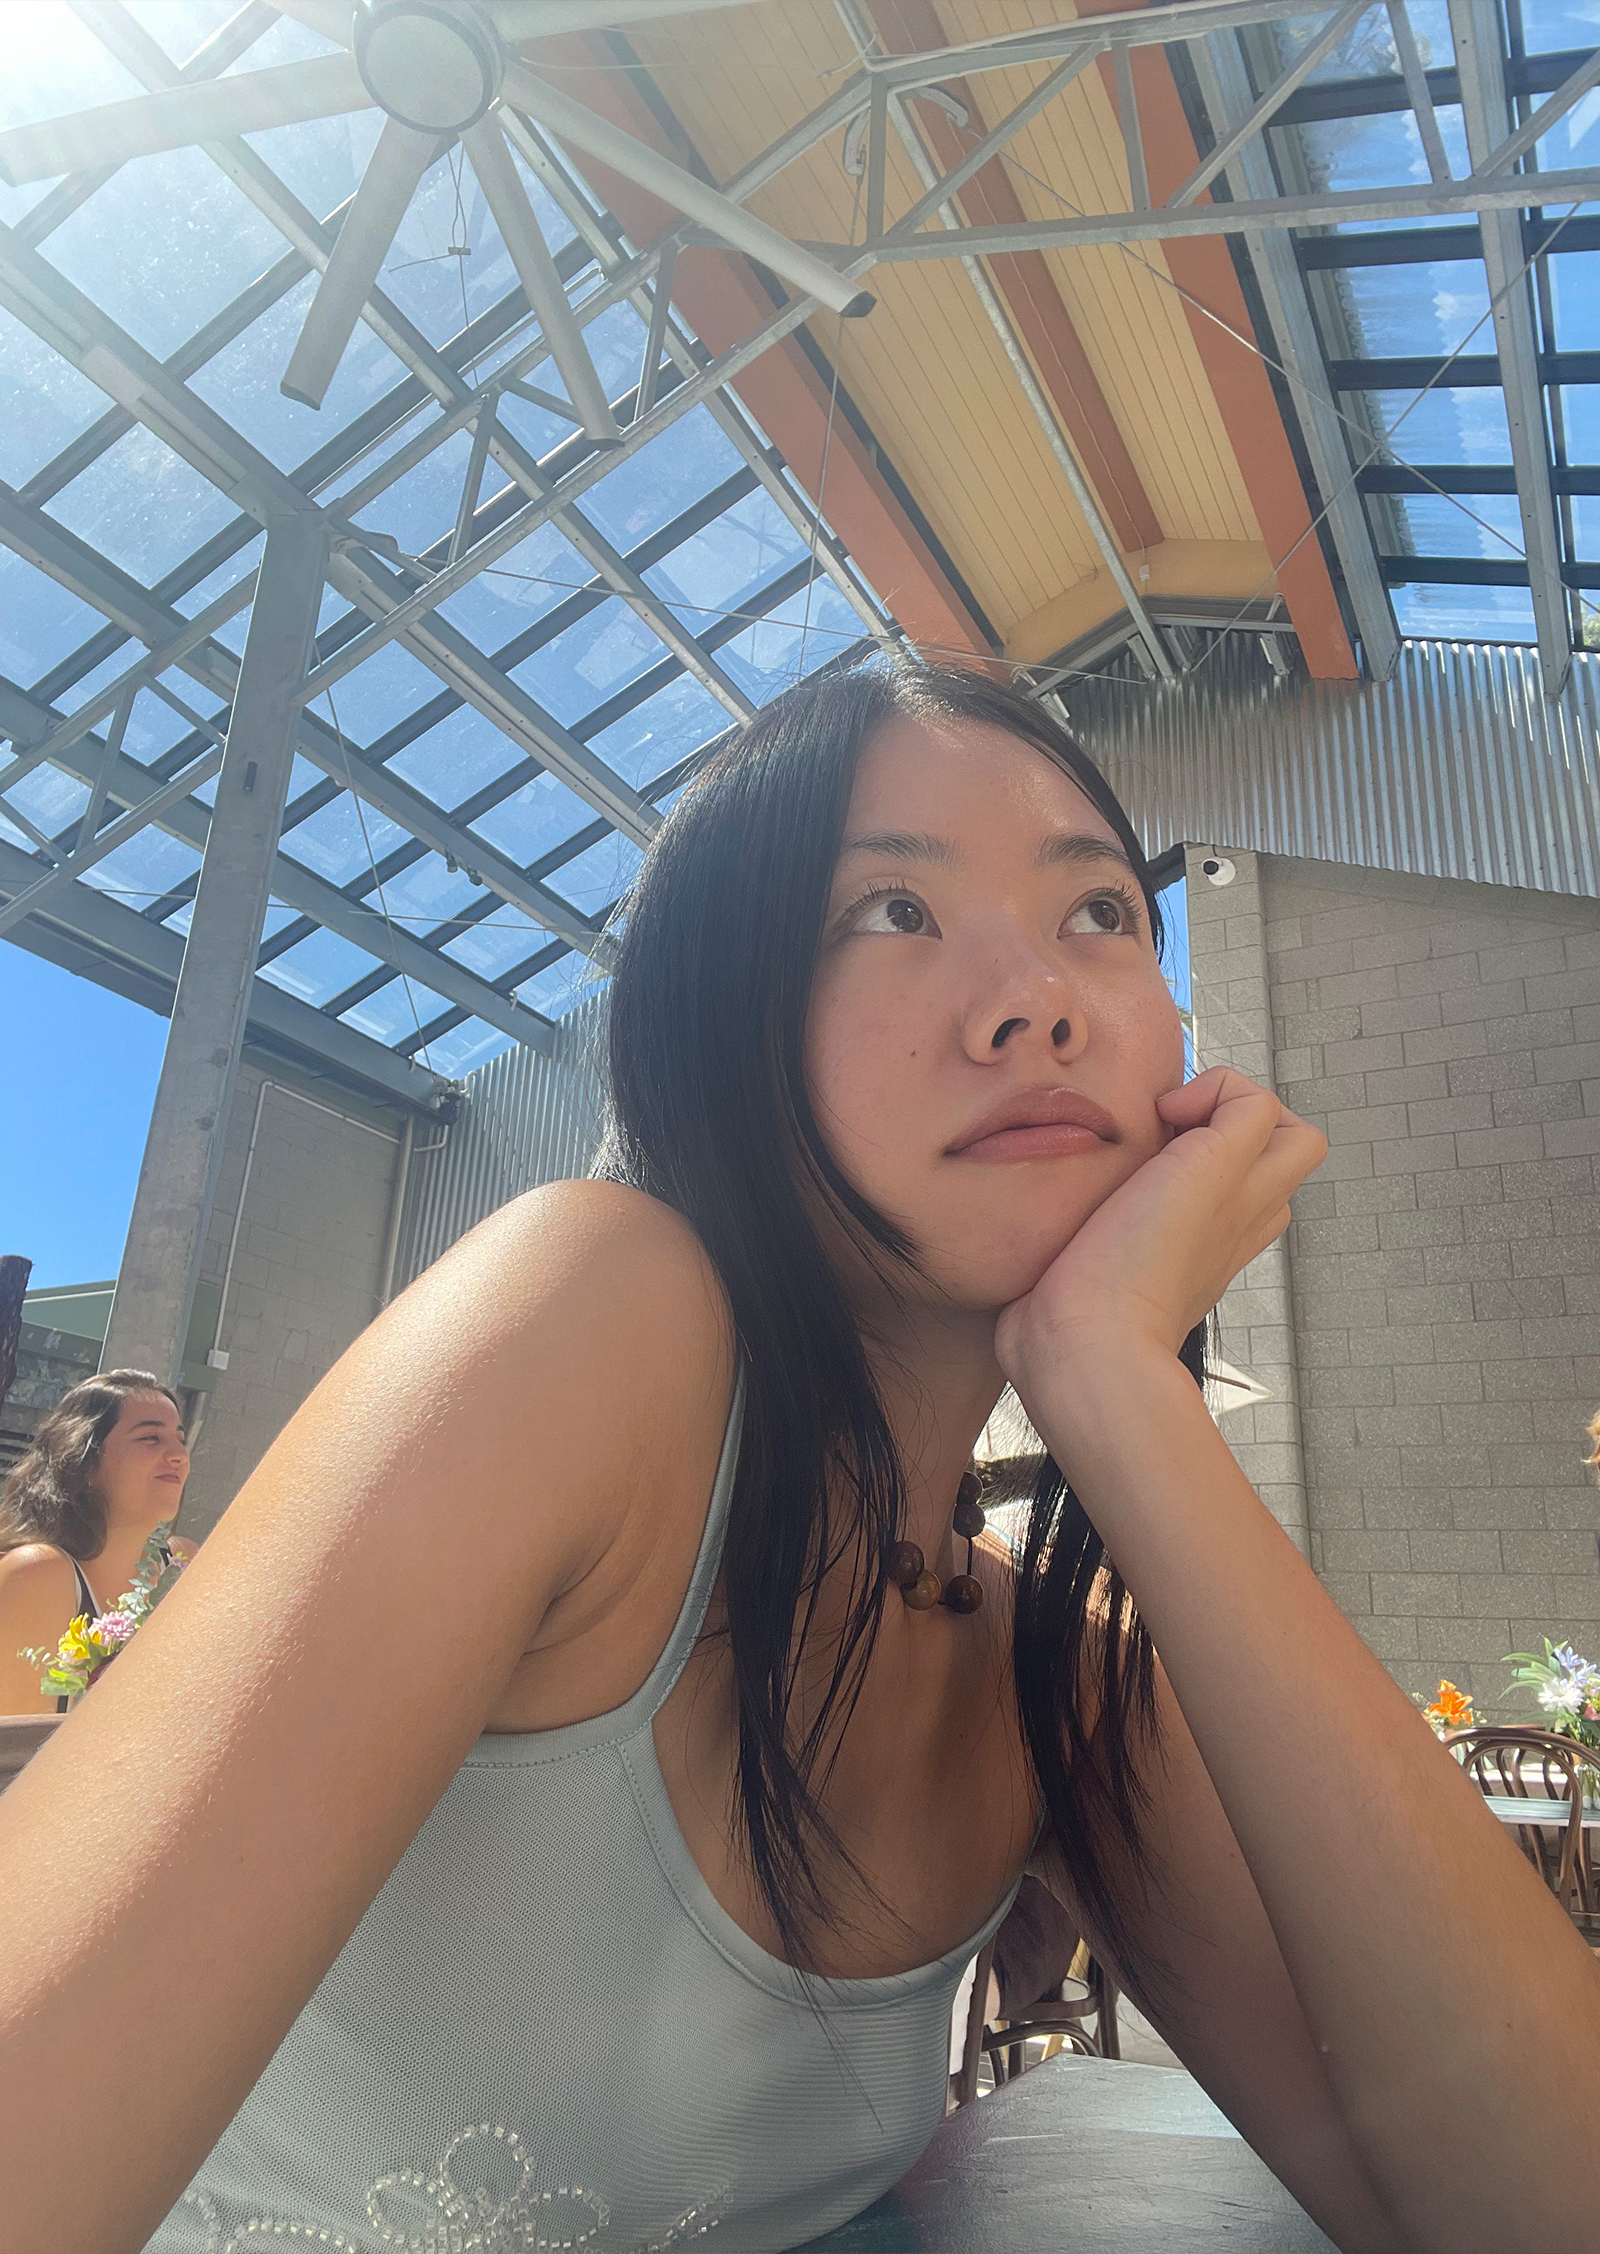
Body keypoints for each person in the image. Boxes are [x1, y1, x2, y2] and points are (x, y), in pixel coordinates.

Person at [0, 664, 1593, 2254]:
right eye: (894, 911)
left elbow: (1538, 2201)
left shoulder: (1056, 1674)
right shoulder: (595, 1310)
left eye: (1102, 911)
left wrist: (1122, 1386)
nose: (1034, 998)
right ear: (727, 1029)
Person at [0, 1369, 197, 1717]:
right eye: (151, 1438)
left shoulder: (185, 1565)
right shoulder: (38, 1575)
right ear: (84, 1462)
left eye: (180, 1439)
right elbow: (19, 1747)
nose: (179, 1454)